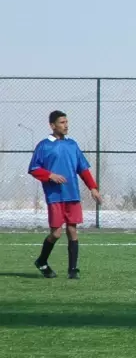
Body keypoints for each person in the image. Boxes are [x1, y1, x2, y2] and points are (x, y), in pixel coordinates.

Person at [28, 110, 102, 279]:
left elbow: (83, 169)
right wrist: (50, 175)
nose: (66, 125)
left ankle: (73, 270)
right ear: (52, 125)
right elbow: (33, 168)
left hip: (72, 194)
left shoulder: (72, 145)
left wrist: (93, 188)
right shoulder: (44, 145)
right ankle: (42, 261)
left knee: (72, 230)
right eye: (62, 122)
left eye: (66, 122)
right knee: (56, 233)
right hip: (55, 196)